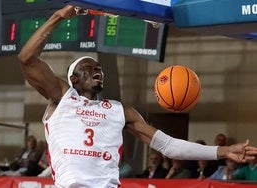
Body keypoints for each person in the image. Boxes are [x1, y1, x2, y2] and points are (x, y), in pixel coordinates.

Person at [17, 4, 257, 187]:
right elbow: (27, 59)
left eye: (99, 67)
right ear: (74, 79)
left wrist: (222, 151)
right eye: (89, 67)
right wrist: (58, 17)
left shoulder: (120, 110)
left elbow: (169, 146)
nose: (97, 69)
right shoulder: (62, 98)